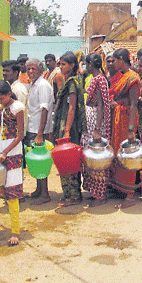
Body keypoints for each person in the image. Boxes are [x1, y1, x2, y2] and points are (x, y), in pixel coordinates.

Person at [0, 79, 25, 246]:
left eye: (1, 99)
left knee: (12, 191)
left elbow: (20, 135)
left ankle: (15, 231)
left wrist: (5, 152)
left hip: (13, 151)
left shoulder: (18, 108)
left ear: (9, 94)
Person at [53, 51, 87, 207]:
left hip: (69, 127)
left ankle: (73, 196)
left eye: (63, 64)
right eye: (60, 64)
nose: (60, 67)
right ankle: (68, 194)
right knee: (63, 160)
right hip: (63, 124)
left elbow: (72, 107)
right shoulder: (67, 81)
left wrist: (66, 130)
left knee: (69, 160)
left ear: (72, 65)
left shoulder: (72, 82)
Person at [109, 48, 140, 208]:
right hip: (118, 118)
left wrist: (130, 129)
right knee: (118, 153)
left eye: (115, 60)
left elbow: (134, 103)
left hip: (128, 119)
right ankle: (119, 188)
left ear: (121, 59)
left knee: (128, 156)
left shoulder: (133, 78)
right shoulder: (121, 77)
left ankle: (130, 196)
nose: (113, 64)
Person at [81, 53, 111, 207]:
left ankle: (100, 194)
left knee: (96, 158)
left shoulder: (99, 79)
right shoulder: (96, 78)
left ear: (91, 63)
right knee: (90, 157)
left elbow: (100, 105)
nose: (85, 66)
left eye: (86, 63)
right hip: (91, 122)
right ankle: (94, 191)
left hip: (95, 124)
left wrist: (98, 129)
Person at [24, 58, 54, 205]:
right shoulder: (34, 85)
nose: (30, 71)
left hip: (38, 129)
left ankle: (45, 193)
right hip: (32, 127)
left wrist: (40, 133)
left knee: (41, 162)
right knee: (35, 161)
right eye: (28, 69)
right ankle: (38, 190)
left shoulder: (43, 85)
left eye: (33, 69)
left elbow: (44, 109)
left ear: (41, 70)